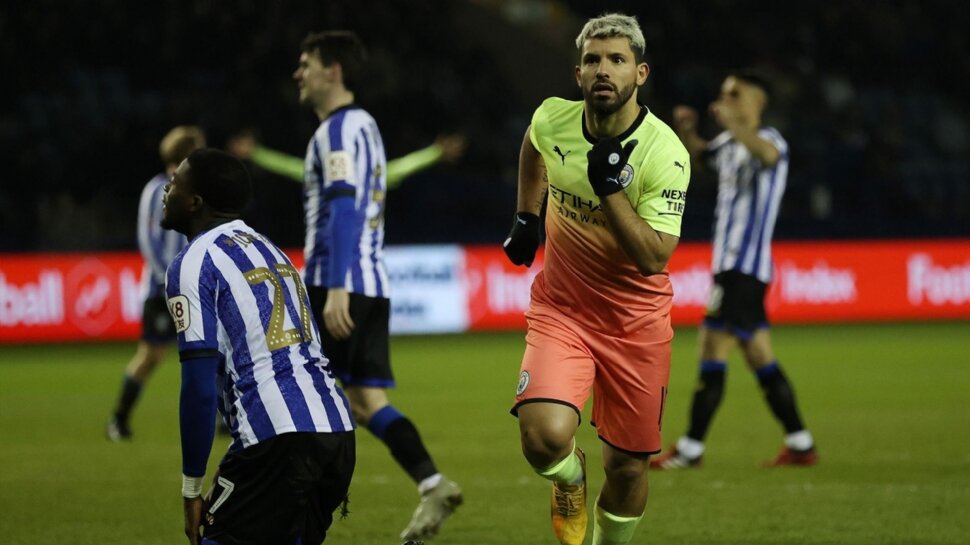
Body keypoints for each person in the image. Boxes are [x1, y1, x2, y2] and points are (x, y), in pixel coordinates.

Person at [502, 13, 690, 545]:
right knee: (542, 438)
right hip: (563, 310)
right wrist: (526, 216)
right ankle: (569, 480)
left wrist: (610, 190)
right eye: (592, 60)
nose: (603, 69)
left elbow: (655, 258)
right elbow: (533, 145)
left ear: (641, 73)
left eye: (616, 60)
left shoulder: (663, 153)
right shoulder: (553, 119)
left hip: (636, 325)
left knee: (629, 468)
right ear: (578, 73)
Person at [291, 30, 461, 542]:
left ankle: (297, 513)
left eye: (306, 64)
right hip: (371, 279)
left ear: (333, 71)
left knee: (304, 396)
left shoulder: (338, 132)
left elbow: (344, 208)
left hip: (338, 282)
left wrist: (338, 287)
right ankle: (432, 482)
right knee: (365, 402)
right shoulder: (366, 127)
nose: (298, 74)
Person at [162, 148, 356, 545]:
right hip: (336, 429)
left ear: (196, 202)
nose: (167, 188)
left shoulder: (193, 262)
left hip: (278, 439)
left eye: (176, 183)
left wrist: (190, 489)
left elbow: (198, 387)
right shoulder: (270, 250)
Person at [650, 71, 818, 470]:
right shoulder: (727, 144)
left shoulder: (770, 141)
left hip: (744, 270)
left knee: (712, 348)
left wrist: (735, 124)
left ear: (756, 101)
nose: (724, 98)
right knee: (759, 355)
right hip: (730, 269)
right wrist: (689, 131)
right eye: (723, 92)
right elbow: (701, 155)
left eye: (734, 93)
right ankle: (800, 442)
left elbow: (767, 156)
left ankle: (691, 448)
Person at [106, 125, 206, 441]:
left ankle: (223, 418)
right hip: (161, 290)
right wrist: (169, 279)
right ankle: (118, 419)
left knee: (215, 351)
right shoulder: (157, 190)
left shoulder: (198, 193)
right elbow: (147, 241)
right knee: (151, 355)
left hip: (196, 289)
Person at [227, 130, 466, 190]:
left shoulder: (367, 178)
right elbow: (291, 167)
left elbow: (401, 168)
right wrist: (256, 153)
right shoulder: (327, 177)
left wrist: (435, 153)